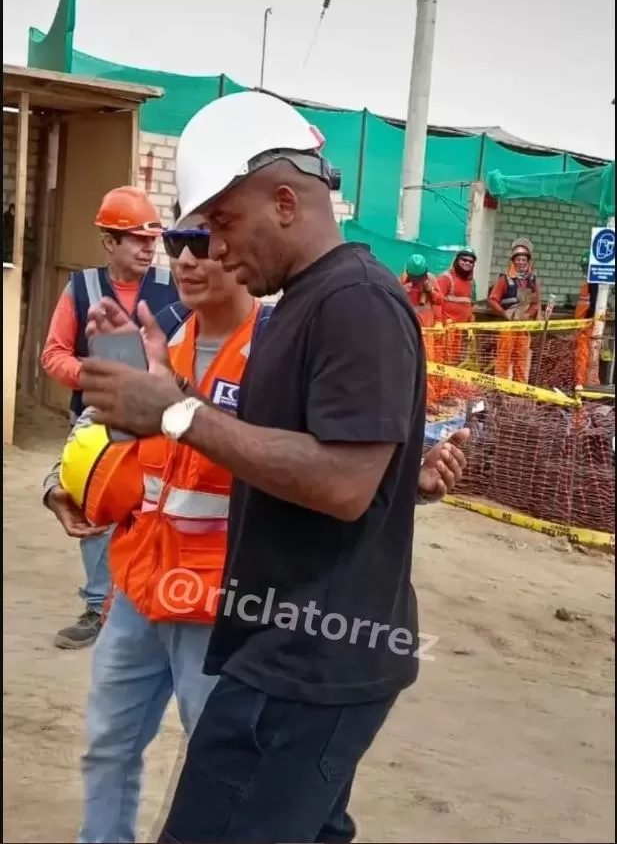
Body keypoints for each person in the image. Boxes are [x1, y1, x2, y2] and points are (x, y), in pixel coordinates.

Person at [78, 90, 470, 844]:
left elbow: (341, 483)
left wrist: (175, 412)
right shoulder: (302, 305)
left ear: (285, 202)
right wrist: (169, 393)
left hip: (309, 662)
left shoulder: (354, 301)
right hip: (286, 644)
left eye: (223, 224)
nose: (212, 250)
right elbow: (314, 459)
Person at [42, 223, 272, 843]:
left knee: (215, 767)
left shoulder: (277, 349)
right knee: (107, 749)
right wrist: (55, 485)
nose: (188, 259)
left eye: (204, 241)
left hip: (216, 606)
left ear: (237, 247)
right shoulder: (160, 335)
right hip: (137, 590)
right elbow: (99, 427)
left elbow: (312, 459)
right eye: (177, 244)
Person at [40, 185, 178, 650]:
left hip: (157, 429)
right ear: (109, 242)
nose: (147, 247)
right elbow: (54, 355)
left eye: (151, 238)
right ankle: (98, 606)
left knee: (152, 513)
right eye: (136, 239)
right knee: (94, 508)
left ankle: (141, 604)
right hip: (97, 428)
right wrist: (98, 376)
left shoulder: (171, 291)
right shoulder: (81, 288)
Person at [488, 238, 541, 382]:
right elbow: (492, 300)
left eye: (524, 260)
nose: (521, 262)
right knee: (504, 357)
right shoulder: (505, 280)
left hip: (523, 327)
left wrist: (527, 315)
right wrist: (504, 313)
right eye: (518, 259)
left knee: (521, 358)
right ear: (513, 261)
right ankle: (501, 386)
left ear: (528, 262)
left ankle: (519, 388)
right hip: (508, 326)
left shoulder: (532, 281)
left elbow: (536, 304)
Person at [401, 253, 444, 406]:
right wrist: (402, 291)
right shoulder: (401, 281)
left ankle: (428, 400)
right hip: (408, 329)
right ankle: (408, 398)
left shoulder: (431, 279)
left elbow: (439, 300)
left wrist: (431, 291)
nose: (418, 281)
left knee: (429, 363)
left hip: (427, 329)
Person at [436, 245, 476, 368]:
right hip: (446, 331)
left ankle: (448, 387)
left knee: (454, 362)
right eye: (464, 260)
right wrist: (439, 322)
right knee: (442, 362)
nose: (467, 263)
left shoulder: (471, 282)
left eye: (471, 261)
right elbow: (436, 302)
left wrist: (470, 327)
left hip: (460, 331)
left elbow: (469, 306)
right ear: (457, 260)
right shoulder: (445, 278)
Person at [574, 249, 599, 389]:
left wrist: (586, 322)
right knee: (583, 357)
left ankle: (582, 384)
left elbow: (593, 305)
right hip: (582, 326)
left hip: (586, 328)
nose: (585, 272)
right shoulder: (589, 283)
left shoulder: (594, 284)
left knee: (583, 358)